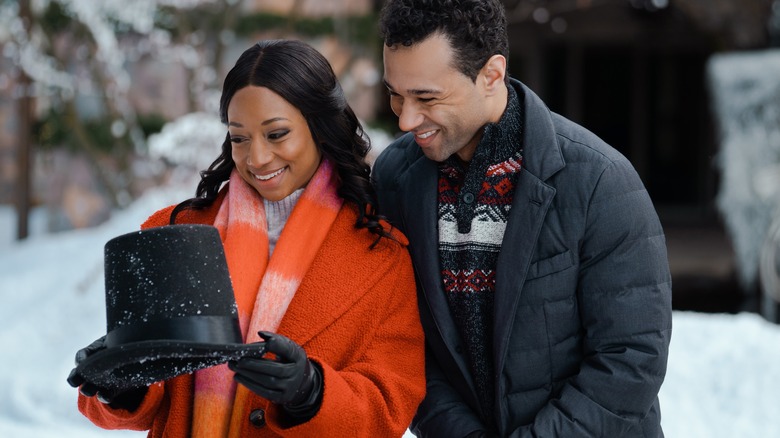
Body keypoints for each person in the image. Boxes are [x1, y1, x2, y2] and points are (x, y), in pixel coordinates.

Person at [68, 39, 426, 437]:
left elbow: (392, 405)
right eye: (240, 138)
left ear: (321, 128)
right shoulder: (172, 232)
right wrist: (119, 384)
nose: (256, 158)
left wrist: (312, 392)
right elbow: (142, 406)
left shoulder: (381, 256)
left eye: (277, 134)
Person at [372, 1, 673, 437]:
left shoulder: (600, 181)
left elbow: (631, 360)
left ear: (491, 74)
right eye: (395, 94)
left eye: (426, 97)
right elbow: (406, 344)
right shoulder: (395, 177)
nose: (405, 118)